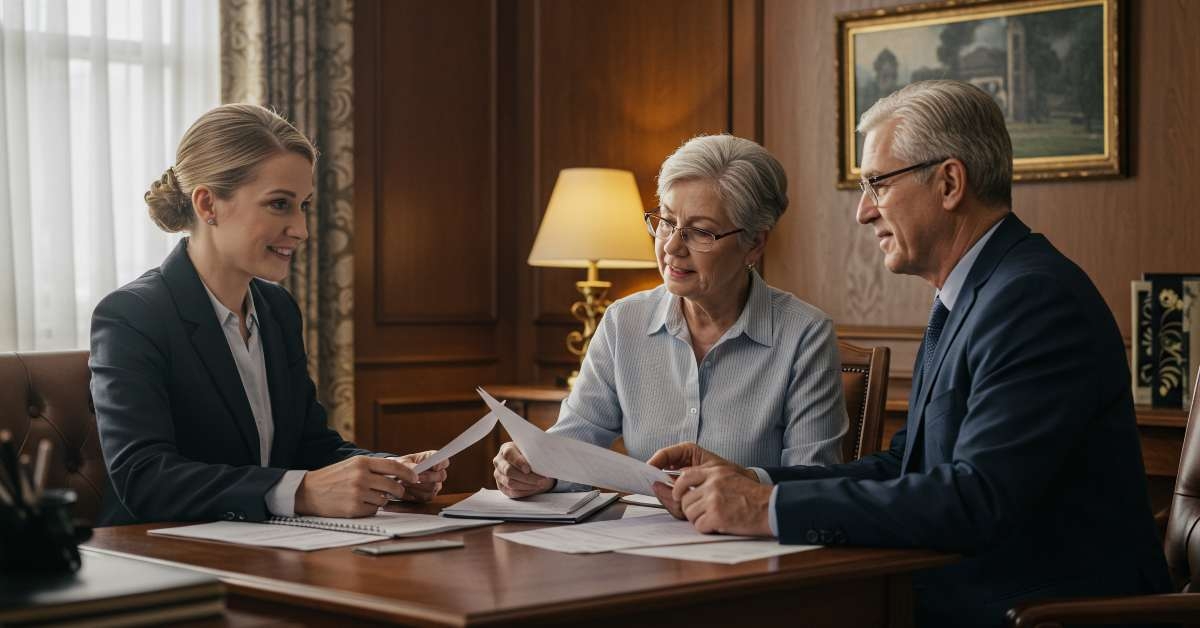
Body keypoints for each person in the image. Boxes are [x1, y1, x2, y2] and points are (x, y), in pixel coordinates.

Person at [648, 81, 1171, 627]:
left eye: (876, 184)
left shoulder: (1033, 300)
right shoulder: (973, 293)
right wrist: (756, 482)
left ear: (949, 182)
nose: (863, 212)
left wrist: (763, 510)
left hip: (1039, 613)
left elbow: (975, 500)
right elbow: (907, 466)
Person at [90, 104, 448, 526]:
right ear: (208, 204)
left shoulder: (277, 309)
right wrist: (302, 491)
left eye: (304, 205)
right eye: (279, 204)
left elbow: (309, 445)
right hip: (164, 563)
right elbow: (144, 478)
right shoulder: (132, 316)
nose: (301, 229)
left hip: (267, 550)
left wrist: (389, 471)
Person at [494, 134, 848, 497]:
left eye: (700, 232)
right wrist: (535, 467)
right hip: (640, 541)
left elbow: (815, 478)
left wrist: (740, 481)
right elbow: (574, 443)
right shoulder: (623, 322)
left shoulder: (805, 333)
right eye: (666, 221)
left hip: (750, 541)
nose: (672, 247)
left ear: (754, 243)